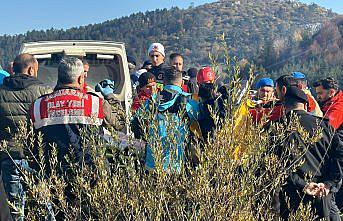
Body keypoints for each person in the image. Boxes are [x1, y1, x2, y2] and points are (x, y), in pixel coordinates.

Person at [30, 57, 125, 176]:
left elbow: (30, 143)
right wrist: (110, 96)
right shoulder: (95, 103)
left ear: (59, 77)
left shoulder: (38, 105)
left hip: (55, 174)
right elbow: (120, 123)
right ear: (80, 78)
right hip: (92, 173)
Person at [270, 85, 343, 220]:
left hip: (290, 199)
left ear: (284, 105)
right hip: (321, 197)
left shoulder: (274, 128)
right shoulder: (325, 126)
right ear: (305, 104)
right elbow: (340, 157)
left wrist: (303, 185)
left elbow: (272, 167)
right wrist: (328, 184)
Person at [0, 53, 52, 220]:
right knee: (45, 204)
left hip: (9, 156)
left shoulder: (1, 93)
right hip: (36, 158)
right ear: (31, 69)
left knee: (16, 208)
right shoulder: (43, 93)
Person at [131, 66, 199, 171]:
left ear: (163, 82)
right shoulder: (190, 102)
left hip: (153, 162)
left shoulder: (151, 101)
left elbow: (135, 124)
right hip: (178, 164)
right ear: (182, 83)